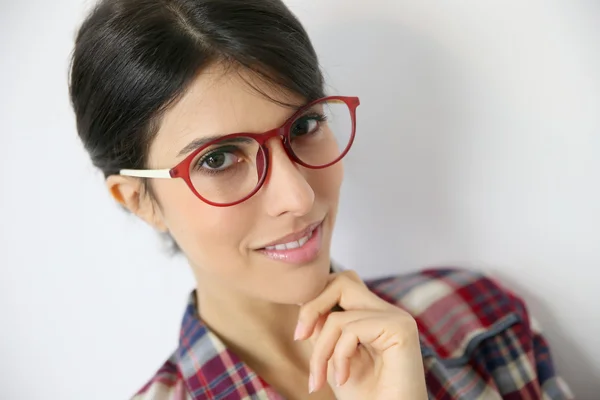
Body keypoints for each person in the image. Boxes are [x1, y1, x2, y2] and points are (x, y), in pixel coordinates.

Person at [68, 0, 573, 399]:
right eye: (219, 159)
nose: (298, 195)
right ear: (139, 200)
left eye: (306, 125)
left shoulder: (477, 320)